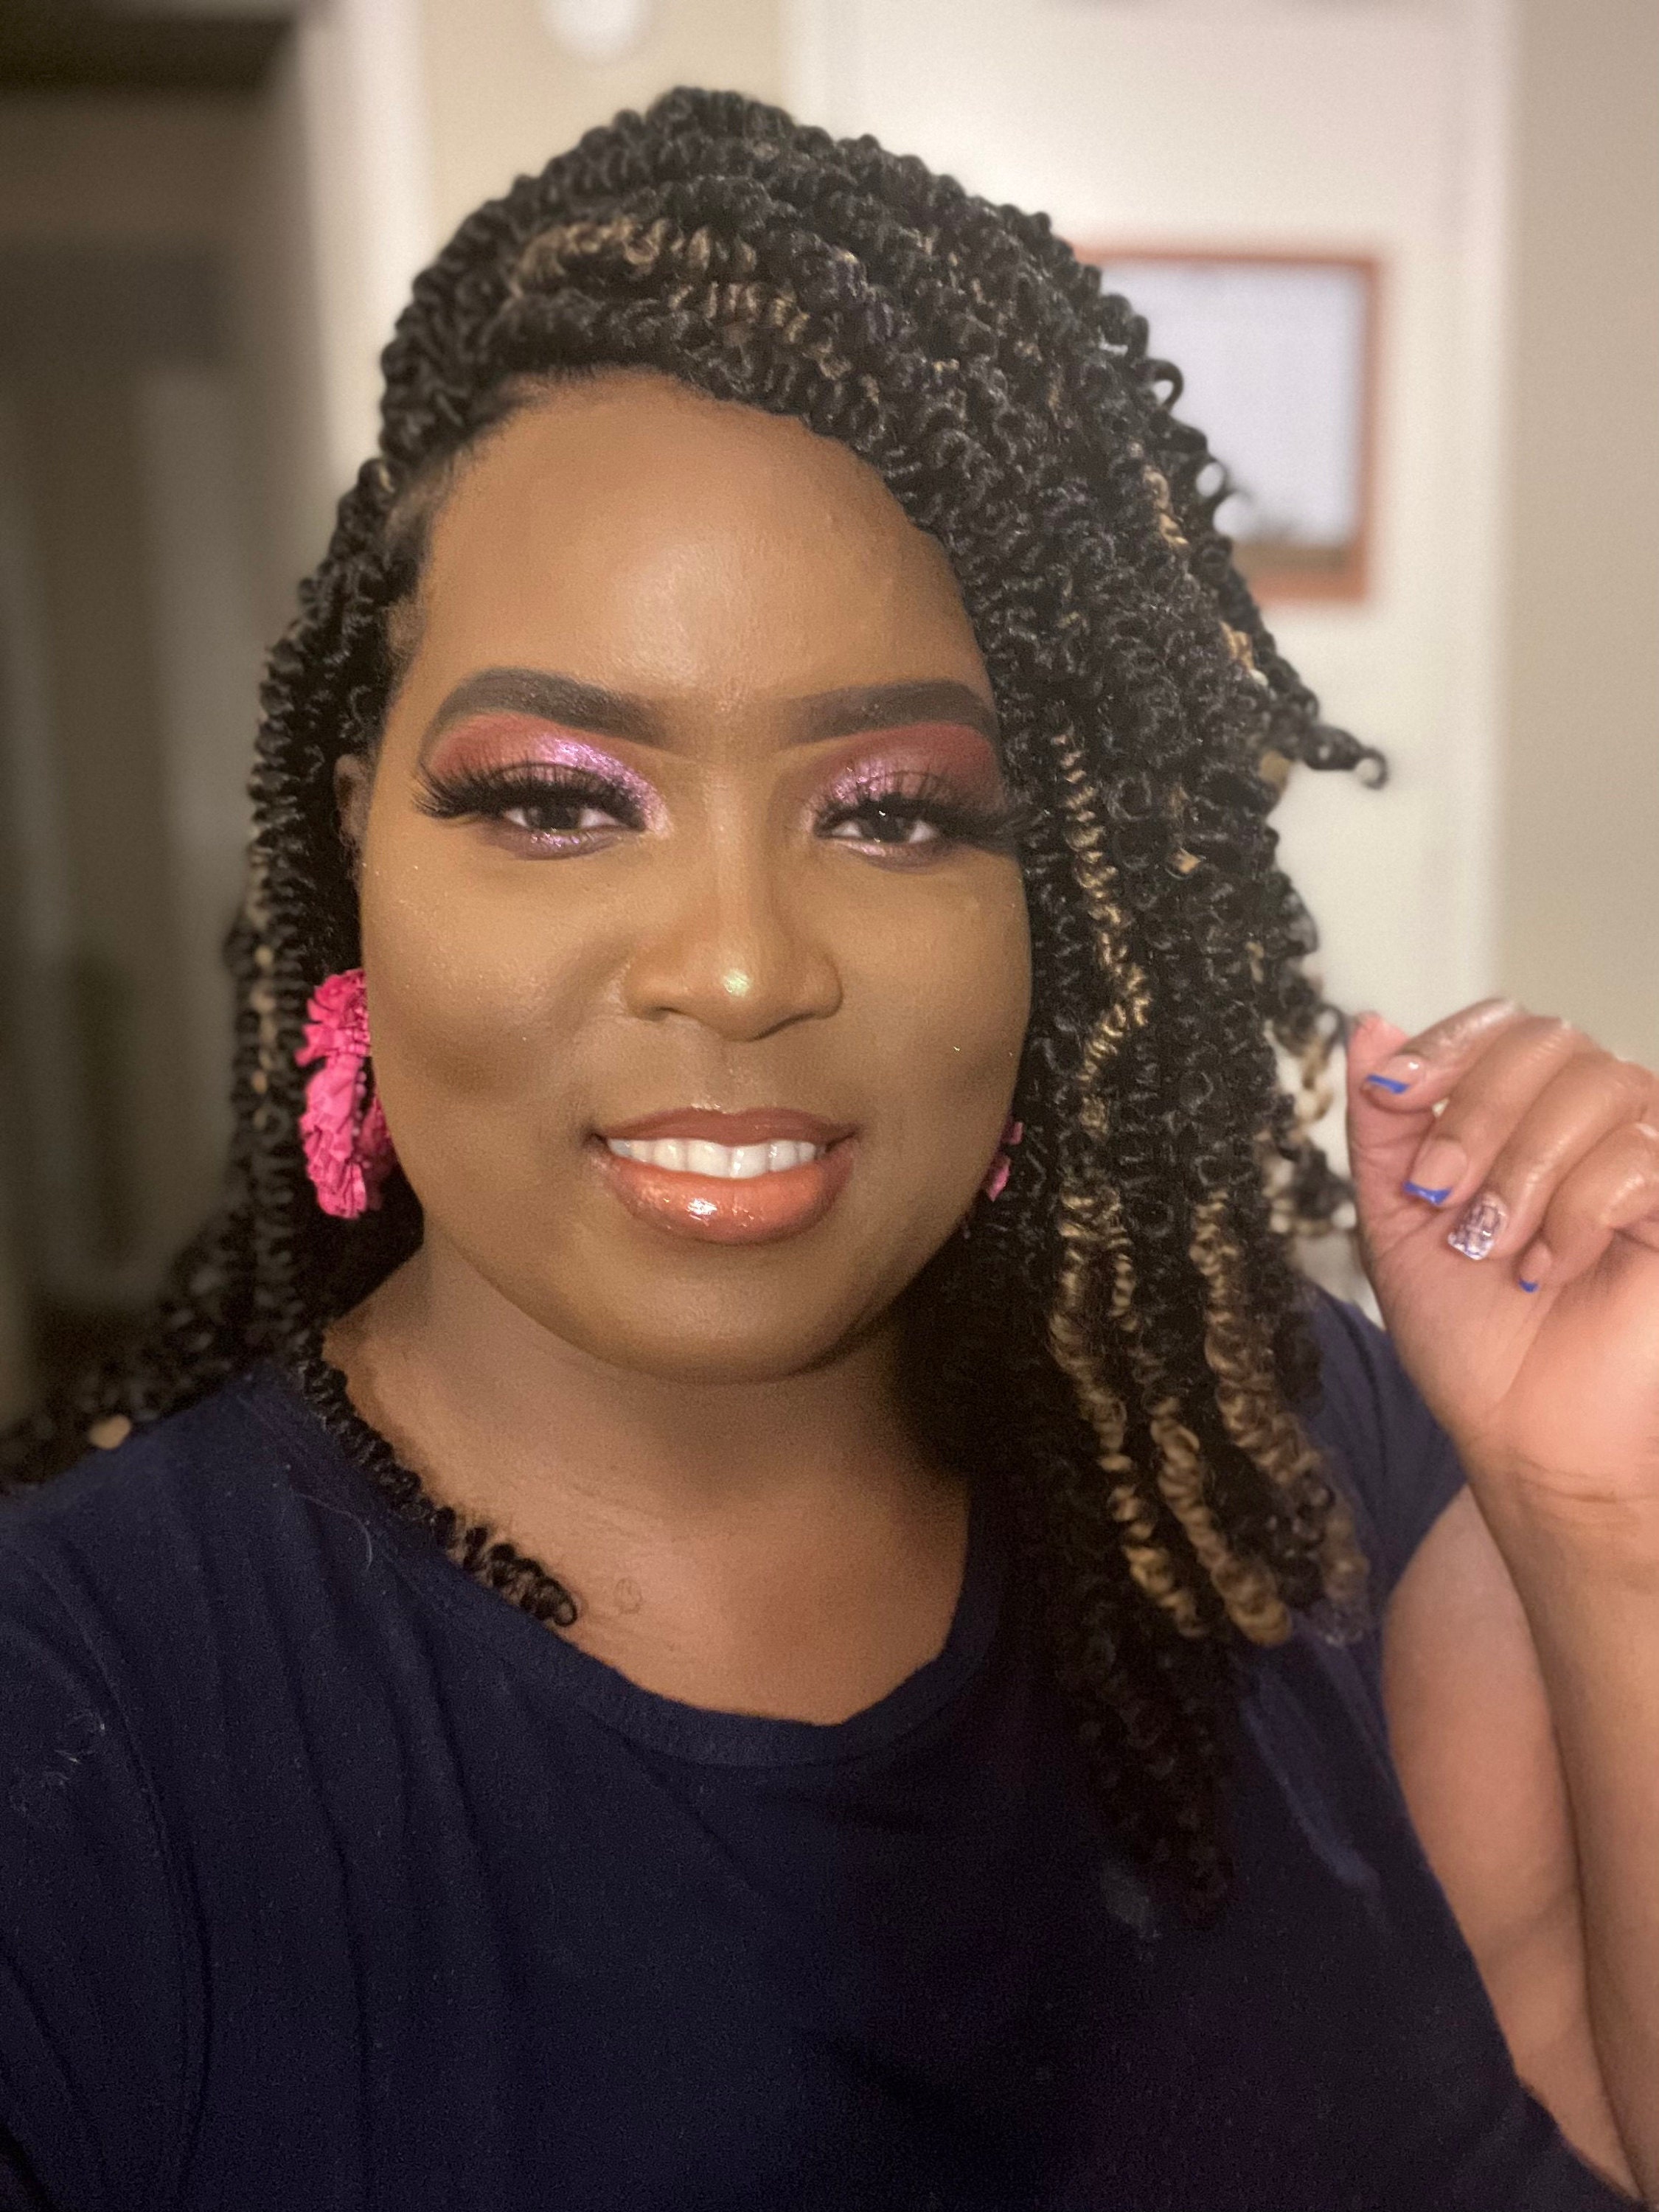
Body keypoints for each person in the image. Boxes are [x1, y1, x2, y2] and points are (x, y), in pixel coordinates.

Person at [1, 88, 1655, 2212]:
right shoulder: (78, 1735)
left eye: (893, 812)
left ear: (1052, 899)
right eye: (556, 798)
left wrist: (1603, 1520)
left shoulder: (1294, 1460)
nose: (738, 967)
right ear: (353, 837)